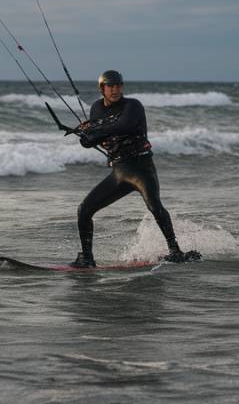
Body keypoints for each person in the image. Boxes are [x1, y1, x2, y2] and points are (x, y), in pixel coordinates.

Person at [69, 70, 200, 268]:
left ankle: (175, 251)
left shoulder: (133, 106)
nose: (115, 90)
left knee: (155, 207)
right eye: (110, 86)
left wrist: (95, 131)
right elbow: (96, 138)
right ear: (102, 88)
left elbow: (124, 126)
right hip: (119, 172)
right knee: (84, 209)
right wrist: (86, 138)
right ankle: (87, 258)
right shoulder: (96, 108)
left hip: (141, 168)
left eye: (118, 85)